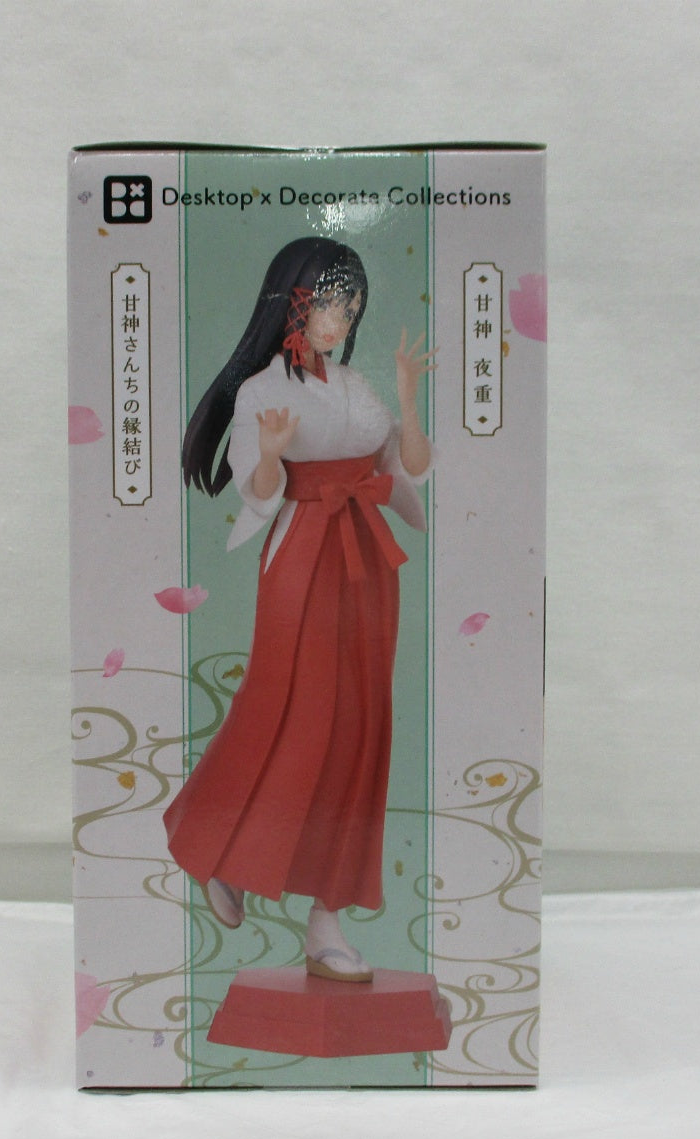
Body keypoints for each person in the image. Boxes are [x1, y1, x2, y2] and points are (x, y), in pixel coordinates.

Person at [164, 236, 434, 982]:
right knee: (288, 709)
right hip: (302, 553)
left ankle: (326, 919)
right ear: (294, 302)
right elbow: (260, 493)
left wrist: (409, 399)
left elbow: (407, 466)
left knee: (362, 726)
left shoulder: (355, 385)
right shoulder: (261, 392)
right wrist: (271, 455)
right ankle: (218, 847)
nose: (342, 319)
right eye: (330, 303)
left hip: (367, 557)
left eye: (351, 306)